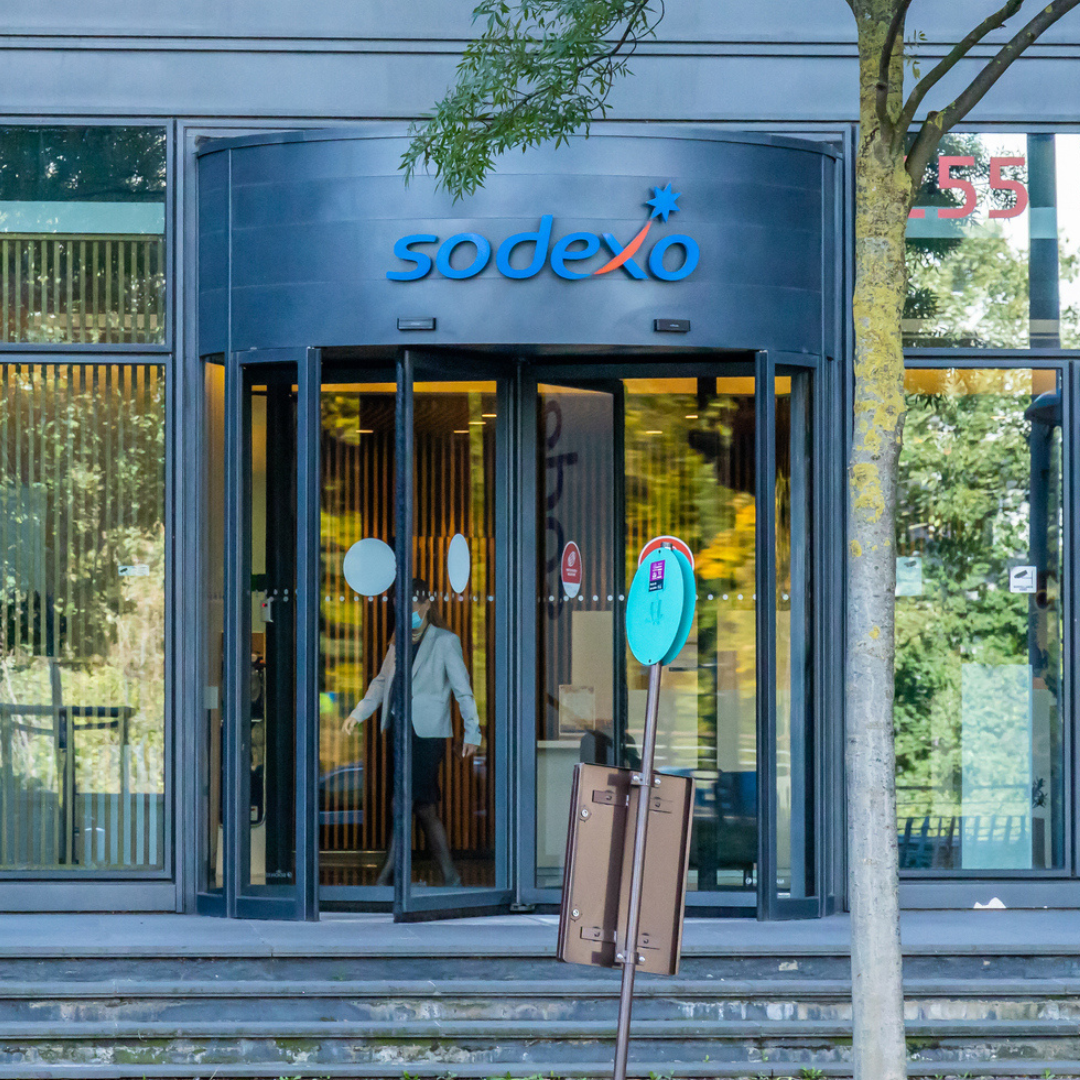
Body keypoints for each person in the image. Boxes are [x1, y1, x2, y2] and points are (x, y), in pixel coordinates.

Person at [342, 577, 481, 886]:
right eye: (401, 606)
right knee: (424, 808)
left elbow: (463, 690)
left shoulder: (445, 641)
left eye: (413, 605)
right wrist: (358, 713)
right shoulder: (398, 640)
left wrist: (473, 732)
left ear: (427, 604)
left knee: (402, 803)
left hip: (427, 737)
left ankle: (386, 877)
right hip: (399, 733)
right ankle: (450, 876)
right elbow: (381, 682)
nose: (408, 612)